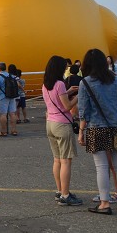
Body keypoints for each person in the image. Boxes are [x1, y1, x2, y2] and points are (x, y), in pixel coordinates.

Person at [77, 48, 117, 215]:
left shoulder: (85, 83)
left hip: (96, 129)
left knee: (102, 167)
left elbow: (84, 112)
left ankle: (104, 203)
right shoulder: (116, 81)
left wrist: (81, 132)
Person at [41, 56, 83, 206]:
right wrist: (78, 96)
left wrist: (69, 91)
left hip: (50, 123)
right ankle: (66, 195)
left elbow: (56, 101)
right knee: (66, 161)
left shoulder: (46, 84)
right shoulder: (59, 84)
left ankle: (60, 191)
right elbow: (67, 106)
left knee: (57, 159)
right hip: (62, 124)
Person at [0, 63, 18, 137]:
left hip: (3, 97)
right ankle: (14, 130)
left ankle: (3, 131)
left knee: (3, 114)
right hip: (12, 96)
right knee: (12, 114)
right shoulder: (11, 75)